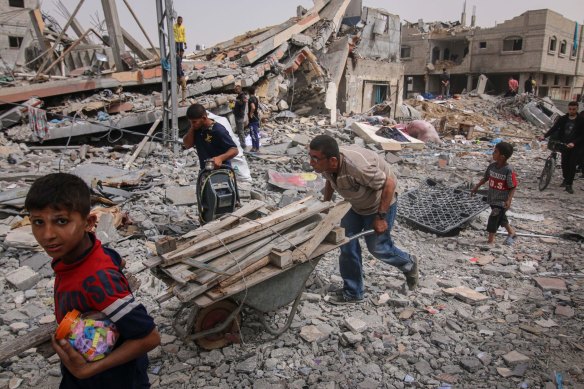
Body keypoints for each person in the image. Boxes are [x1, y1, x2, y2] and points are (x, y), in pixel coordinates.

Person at [24, 173, 160, 388]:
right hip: (88, 354)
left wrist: (87, 370)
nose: (47, 234)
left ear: (89, 223)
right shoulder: (80, 253)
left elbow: (149, 337)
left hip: (110, 378)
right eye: (38, 222)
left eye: (61, 221)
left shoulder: (97, 280)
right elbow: (119, 261)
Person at [308, 135, 419, 304]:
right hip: (354, 203)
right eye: (310, 157)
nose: (311, 162)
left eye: (315, 158)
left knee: (378, 248)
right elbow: (330, 180)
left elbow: (389, 184)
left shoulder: (357, 167)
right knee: (346, 243)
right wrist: (326, 205)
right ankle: (353, 292)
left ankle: (408, 264)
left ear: (332, 160)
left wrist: (381, 217)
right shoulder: (327, 166)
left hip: (378, 204)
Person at [471, 142, 518, 245]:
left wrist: (509, 199)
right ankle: (512, 233)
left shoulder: (508, 170)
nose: (493, 153)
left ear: (502, 156)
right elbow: (486, 178)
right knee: (500, 218)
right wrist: (476, 187)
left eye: (495, 152)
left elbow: (513, 186)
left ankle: (490, 241)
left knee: (493, 218)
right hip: (492, 198)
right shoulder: (492, 166)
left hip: (501, 200)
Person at [541, 101, 584, 193]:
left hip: (576, 146)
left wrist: (574, 143)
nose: (572, 111)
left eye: (574, 109)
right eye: (570, 109)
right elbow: (555, 128)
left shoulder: (581, 120)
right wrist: (544, 136)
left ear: (577, 109)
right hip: (564, 144)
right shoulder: (563, 118)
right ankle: (565, 179)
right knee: (564, 163)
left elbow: (582, 135)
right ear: (568, 109)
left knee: (572, 165)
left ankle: (569, 185)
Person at [183, 103, 239, 169]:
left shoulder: (218, 130)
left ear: (204, 118)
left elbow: (234, 150)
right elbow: (187, 145)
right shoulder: (196, 129)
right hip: (205, 171)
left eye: (194, 122)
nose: (192, 124)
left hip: (221, 170)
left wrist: (220, 158)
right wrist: (192, 128)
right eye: (191, 122)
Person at [247, 87, 261, 152]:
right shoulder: (255, 98)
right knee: (255, 133)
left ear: (249, 93)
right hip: (256, 118)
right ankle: (256, 147)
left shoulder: (251, 99)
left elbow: (253, 107)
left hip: (253, 119)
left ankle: (255, 148)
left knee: (253, 133)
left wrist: (250, 113)